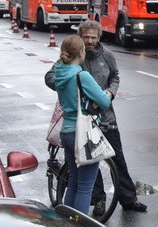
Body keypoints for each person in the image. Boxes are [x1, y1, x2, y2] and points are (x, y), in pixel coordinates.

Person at [44, 20, 147, 215]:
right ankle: (98, 201)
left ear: (99, 37)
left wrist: (111, 92)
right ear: (80, 41)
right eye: (86, 37)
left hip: (104, 119)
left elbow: (115, 77)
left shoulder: (106, 55)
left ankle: (128, 198)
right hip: (85, 122)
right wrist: (74, 90)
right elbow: (50, 78)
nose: (90, 41)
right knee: (86, 176)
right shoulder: (70, 62)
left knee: (116, 161)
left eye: (93, 37)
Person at [52, 35, 112, 215]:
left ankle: (68, 224)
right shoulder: (81, 75)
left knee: (74, 182)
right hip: (83, 133)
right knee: (86, 186)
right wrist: (105, 95)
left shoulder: (60, 73)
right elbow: (103, 101)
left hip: (67, 132)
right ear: (80, 52)